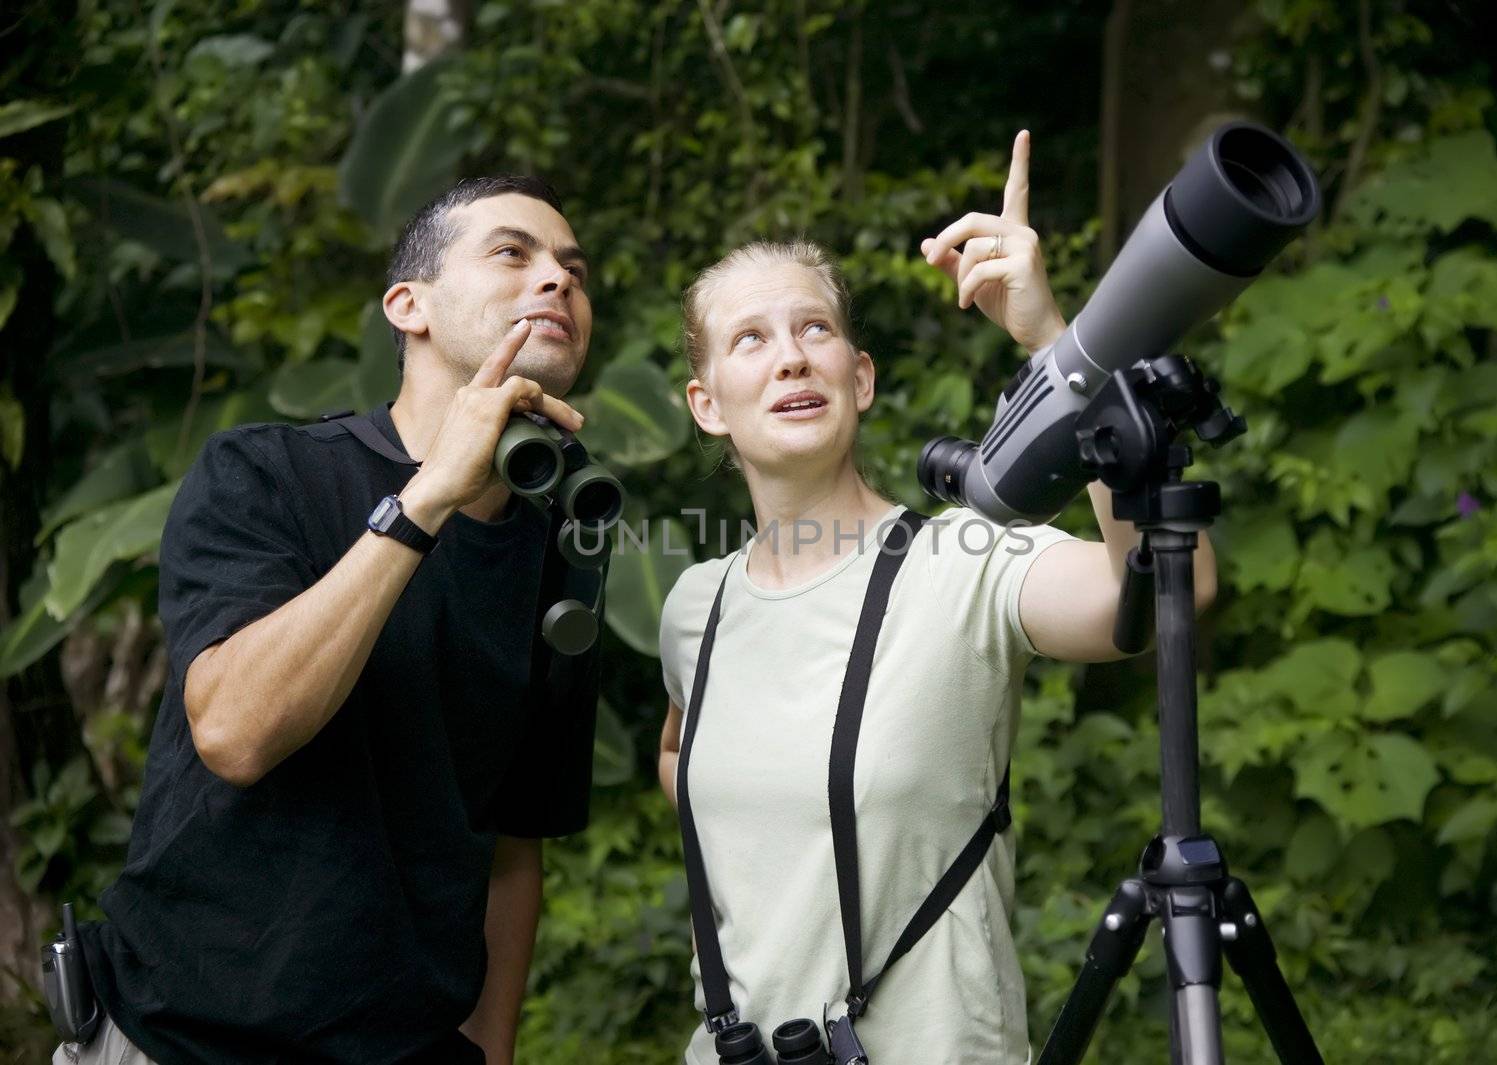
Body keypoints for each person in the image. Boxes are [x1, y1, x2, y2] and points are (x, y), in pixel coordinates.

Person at [655, 132, 1218, 1064]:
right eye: (750, 340)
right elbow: (682, 752)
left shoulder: (964, 559)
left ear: (860, 377)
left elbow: (1172, 588)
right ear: (706, 401)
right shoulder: (694, 607)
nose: (791, 358)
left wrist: (1058, 347)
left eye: (815, 330)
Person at [59, 176, 599, 1065]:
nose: (558, 281)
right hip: (180, 1043)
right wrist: (425, 501)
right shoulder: (263, 473)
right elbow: (235, 731)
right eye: (514, 253)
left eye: (573, 271)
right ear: (408, 305)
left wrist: (490, 1053)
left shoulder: (561, 550)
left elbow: (512, 841)